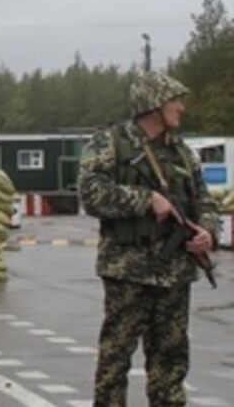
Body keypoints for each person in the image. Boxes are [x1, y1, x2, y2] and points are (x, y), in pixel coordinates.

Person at [78, 71, 217, 407]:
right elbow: (91, 194)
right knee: (116, 358)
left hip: (174, 272)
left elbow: (204, 201)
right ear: (154, 104)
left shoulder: (182, 152)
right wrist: (146, 199)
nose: (182, 108)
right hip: (129, 270)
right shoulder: (109, 143)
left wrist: (207, 232)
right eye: (175, 100)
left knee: (171, 360)